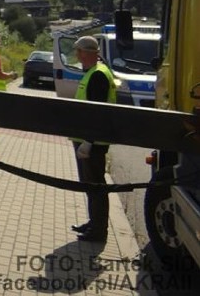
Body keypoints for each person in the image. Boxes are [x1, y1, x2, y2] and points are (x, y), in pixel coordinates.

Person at [69, 35, 116, 243]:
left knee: (96, 186)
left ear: (87, 52)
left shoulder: (97, 75)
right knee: (90, 185)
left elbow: (98, 113)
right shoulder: (92, 73)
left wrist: (88, 141)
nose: (77, 56)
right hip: (87, 141)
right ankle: (94, 222)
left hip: (93, 144)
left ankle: (99, 230)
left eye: (78, 51)